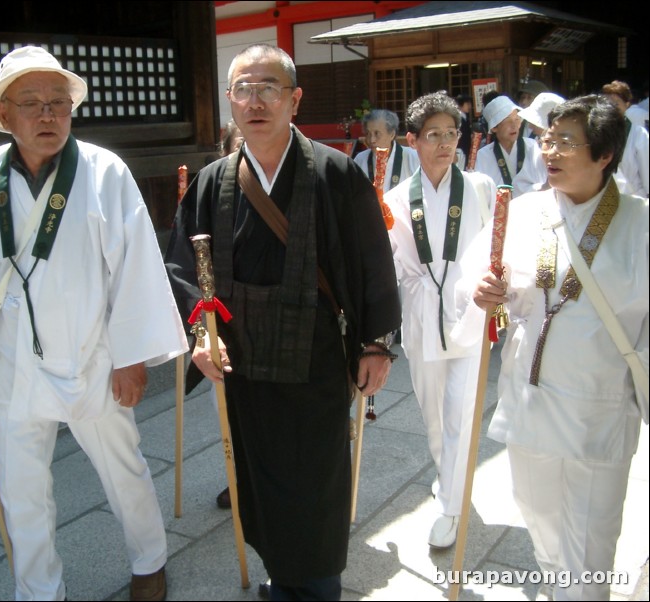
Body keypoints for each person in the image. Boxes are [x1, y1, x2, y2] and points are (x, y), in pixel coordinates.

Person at [0, 46, 188, 602]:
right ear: (6, 114)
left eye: (59, 103)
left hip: (94, 351)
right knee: (21, 488)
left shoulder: (103, 171)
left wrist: (132, 357)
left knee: (123, 468)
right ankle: (40, 591)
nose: (48, 115)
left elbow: (137, 266)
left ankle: (150, 561)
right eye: (33, 104)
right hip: (16, 358)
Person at [165, 44, 401, 600]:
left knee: (316, 482)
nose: (256, 100)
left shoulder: (337, 173)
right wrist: (202, 336)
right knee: (257, 476)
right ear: (230, 101)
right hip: (242, 360)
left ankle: (316, 587)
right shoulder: (212, 180)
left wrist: (374, 343)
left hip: (313, 359)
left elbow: (373, 261)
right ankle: (281, 572)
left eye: (269, 87)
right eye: (243, 89)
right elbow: (180, 268)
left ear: (294, 99)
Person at [466, 94, 648, 601]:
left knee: (592, 536)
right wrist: (486, 297)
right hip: (532, 396)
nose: (550, 152)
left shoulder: (640, 223)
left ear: (605, 154)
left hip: (601, 405)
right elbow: (487, 294)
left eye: (567, 142)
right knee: (537, 513)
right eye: (548, 140)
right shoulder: (522, 213)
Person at [384, 91, 496, 549]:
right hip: (421, 318)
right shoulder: (393, 199)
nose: (446, 143)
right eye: (434, 135)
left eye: (452, 134)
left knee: (461, 416)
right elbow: (390, 266)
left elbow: (494, 247)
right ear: (413, 141)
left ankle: (450, 510)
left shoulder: (480, 187)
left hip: (469, 314)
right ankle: (449, 480)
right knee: (434, 417)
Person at [213, 118, 243, 511]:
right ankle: (236, 476)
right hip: (225, 316)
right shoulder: (212, 189)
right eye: (235, 145)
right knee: (229, 406)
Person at [475, 95, 547, 198]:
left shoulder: (532, 147)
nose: (514, 125)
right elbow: (482, 192)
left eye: (517, 119)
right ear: (495, 127)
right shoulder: (483, 155)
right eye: (508, 121)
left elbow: (542, 181)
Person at [602, 80, 649, 198]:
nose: (612, 107)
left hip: (635, 197)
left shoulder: (638, 134)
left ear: (627, 104)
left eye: (616, 103)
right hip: (606, 197)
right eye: (608, 103)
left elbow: (646, 168)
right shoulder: (599, 132)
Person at [353, 109, 419, 191]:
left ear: (392, 134)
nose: (372, 140)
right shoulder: (360, 159)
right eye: (368, 134)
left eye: (377, 133)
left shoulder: (413, 157)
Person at [455, 93, 473, 169]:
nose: (470, 106)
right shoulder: (458, 118)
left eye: (470, 104)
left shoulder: (465, 117)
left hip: (466, 148)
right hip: (460, 148)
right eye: (467, 103)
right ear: (460, 104)